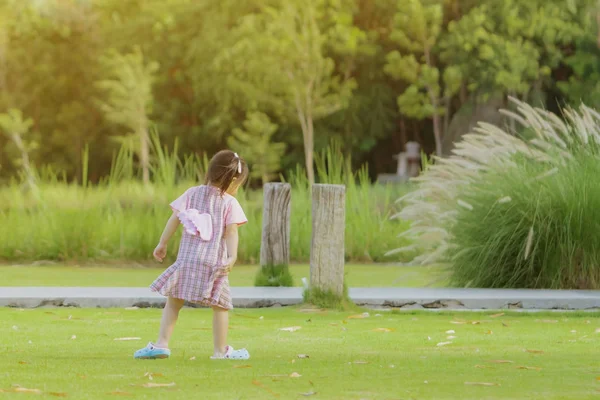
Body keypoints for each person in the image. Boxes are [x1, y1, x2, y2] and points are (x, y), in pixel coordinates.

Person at [134, 150, 250, 360]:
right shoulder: (229, 203)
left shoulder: (192, 193)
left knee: (174, 302)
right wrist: (232, 257)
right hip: (214, 262)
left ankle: (162, 344)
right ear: (233, 181)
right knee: (220, 307)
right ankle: (220, 351)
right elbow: (232, 231)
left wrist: (162, 243)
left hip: (187, 259)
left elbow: (174, 219)